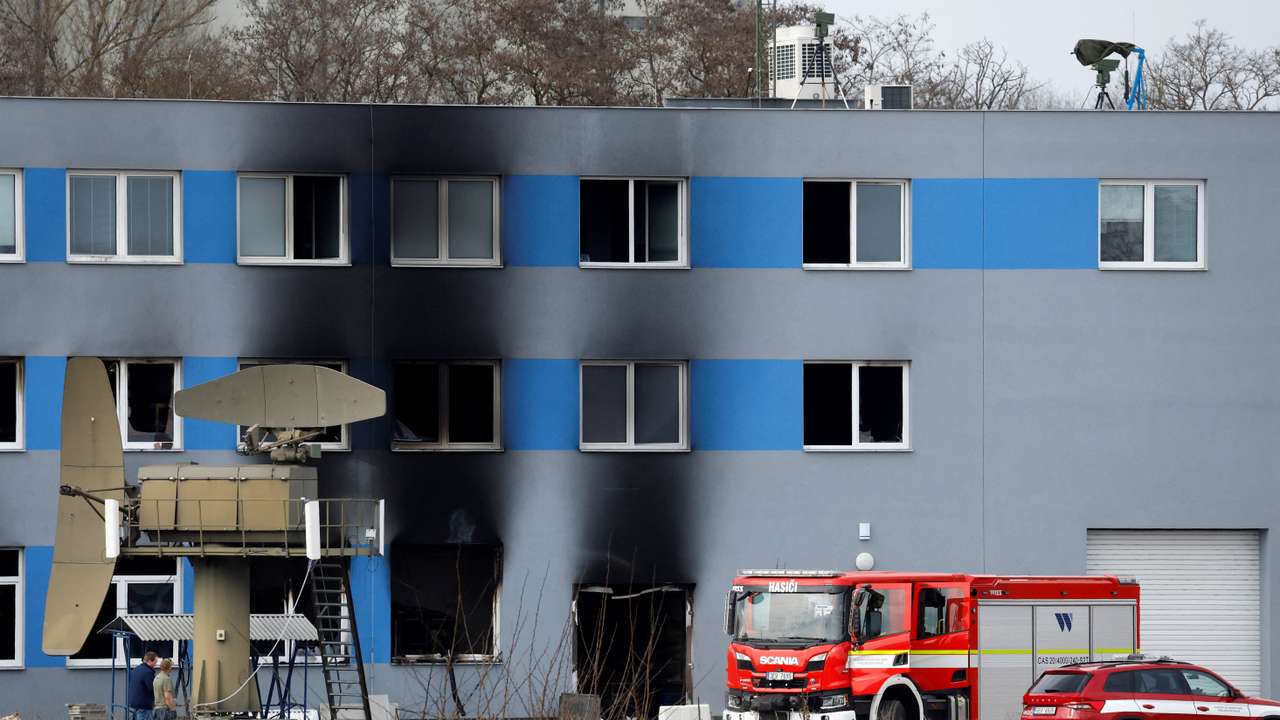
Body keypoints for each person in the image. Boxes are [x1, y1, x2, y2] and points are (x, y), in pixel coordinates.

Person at [127, 650, 158, 720]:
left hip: (134, 702)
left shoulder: (136, 669)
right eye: (155, 662)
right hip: (144, 704)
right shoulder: (148, 672)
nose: (156, 664)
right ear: (150, 661)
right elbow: (152, 688)